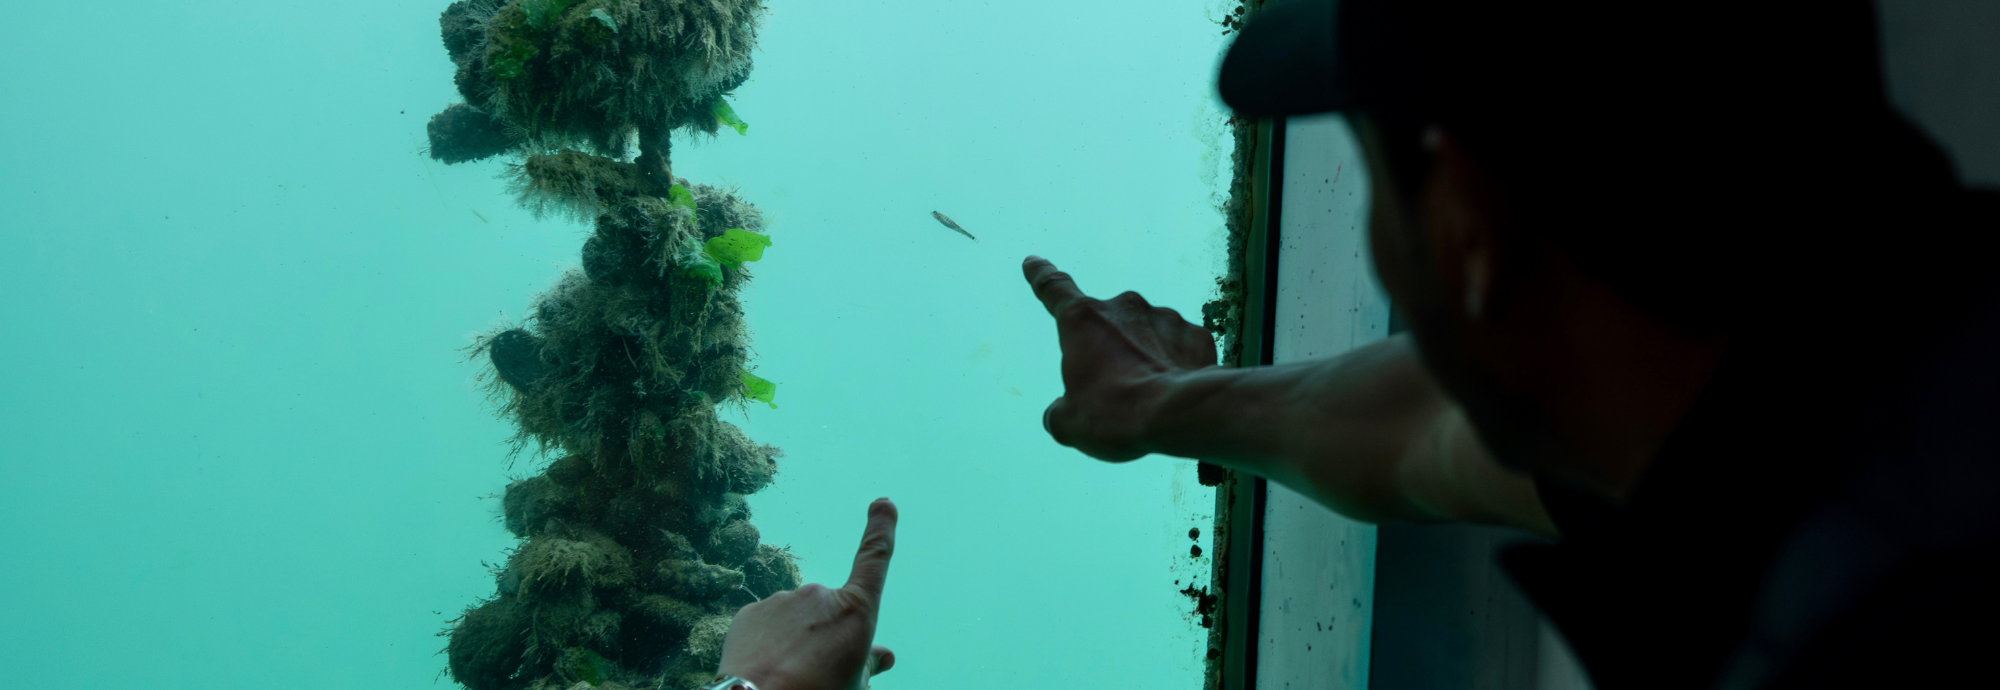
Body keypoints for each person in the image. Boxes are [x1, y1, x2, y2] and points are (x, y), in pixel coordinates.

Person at [714, 1, 2000, 688]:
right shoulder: (1831, 360)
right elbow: (1424, 432)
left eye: (1380, 183)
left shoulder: (1863, 632)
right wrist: (1161, 407)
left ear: (1465, 233)